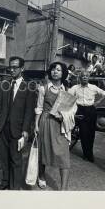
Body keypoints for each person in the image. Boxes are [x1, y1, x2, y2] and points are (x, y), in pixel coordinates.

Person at [0, 56, 36, 190]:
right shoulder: (5, 84)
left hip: (17, 129)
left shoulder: (29, 86)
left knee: (16, 159)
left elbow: (29, 111)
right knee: (4, 158)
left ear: (22, 68)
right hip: (3, 127)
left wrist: (25, 131)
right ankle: (5, 181)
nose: (12, 70)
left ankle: (14, 187)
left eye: (15, 67)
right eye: (10, 67)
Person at [34, 62, 76, 190]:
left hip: (61, 125)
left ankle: (63, 189)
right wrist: (36, 125)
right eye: (53, 69)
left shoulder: (67, 90)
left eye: (58, 70)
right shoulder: (43, 88)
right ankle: (41, 176)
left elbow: (73, 108)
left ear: (63, 73)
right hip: (46, 122)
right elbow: (39, 108)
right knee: (43, 151)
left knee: (64, 155)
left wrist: (64, 115)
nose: (55, 71)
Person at [68, 70, 105, 162]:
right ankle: (87, 154)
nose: (84, 77)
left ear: (88, 78)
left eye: (86, 76)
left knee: (91, 134)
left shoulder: (93, 87)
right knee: (83, 133)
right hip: (80, 110)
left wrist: (97, 102)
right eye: (83, 76)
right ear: (80, 77)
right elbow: (68, 96)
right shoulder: (75, 88)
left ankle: (89, 152)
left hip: (91, 110)